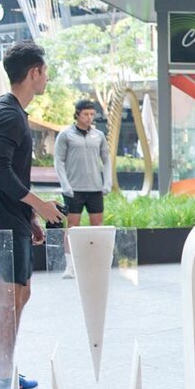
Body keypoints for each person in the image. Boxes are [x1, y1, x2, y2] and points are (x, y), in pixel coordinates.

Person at [0, 40, 66, 389]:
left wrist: (30, 218)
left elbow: (9, 173)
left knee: (19, 298)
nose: (47, 78)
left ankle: (5, 370)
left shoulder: (12, 113)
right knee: (5, 306)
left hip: (14, 221)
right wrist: (39, 204)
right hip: (2, 227)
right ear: (34, 72)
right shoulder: (7, 114)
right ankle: (4, 384)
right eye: (45, 71)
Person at [54, 98, 111, 279]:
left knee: (98, 226)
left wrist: (107, 182)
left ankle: (96, 263)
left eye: (92, 114)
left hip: (95, 188)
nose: (89, 118)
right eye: (86, 114)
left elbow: (106, 160)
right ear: (77, 114)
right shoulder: (65, 135)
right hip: (74, 188)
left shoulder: (99, 136)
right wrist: (65, 184)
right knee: (72, 226)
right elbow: (58, 160)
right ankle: (70, 266)